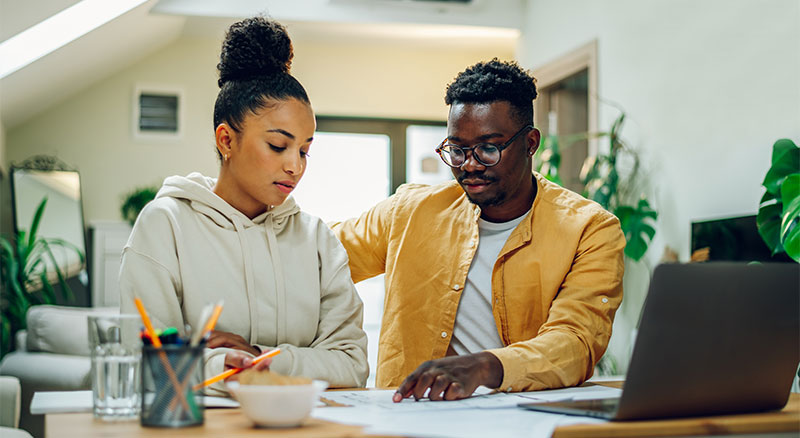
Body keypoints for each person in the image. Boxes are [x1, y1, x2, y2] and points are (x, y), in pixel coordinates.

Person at [332, 59, 625, 401]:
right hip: (409, 417)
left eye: (488, 149)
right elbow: (318, 258)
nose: (469, 164)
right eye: (457, 150)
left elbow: (576, 342)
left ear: (530, 143)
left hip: (521, 422)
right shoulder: (410, 212)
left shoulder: (589, 229)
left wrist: (486, 367)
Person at [119, 17, 368, 394]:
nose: (295, 166)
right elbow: (146, 361)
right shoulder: (165, 226)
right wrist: (230, 364)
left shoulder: (317, 239)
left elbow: (352, 364)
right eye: (277, 145)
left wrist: (257, 356)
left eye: (304, 150)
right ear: (226, 140)